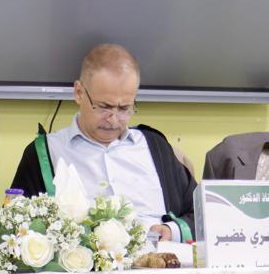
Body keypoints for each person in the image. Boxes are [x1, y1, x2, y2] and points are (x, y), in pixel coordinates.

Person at [10, 44, 196, 240]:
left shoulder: (156, 147)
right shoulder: (45, 154)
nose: (113, 119)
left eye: (124, 108)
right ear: (79, 93)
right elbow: (15, 228)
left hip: (160, 256)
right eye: (104, 107)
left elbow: (203, 212)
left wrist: (172, 230)